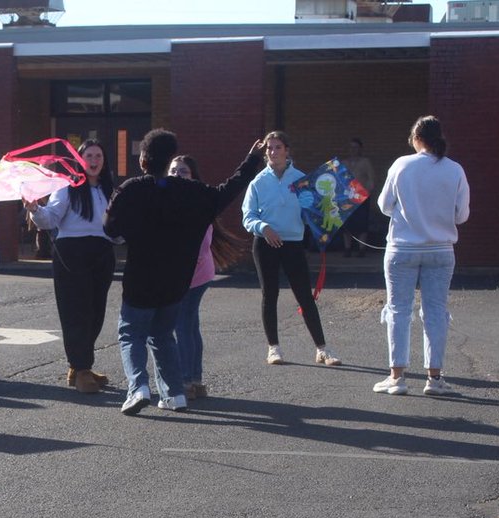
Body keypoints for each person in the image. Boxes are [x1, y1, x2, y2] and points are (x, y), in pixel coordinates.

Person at [104, 128, 265, 415]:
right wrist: (252, 160)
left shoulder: (131, 189)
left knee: (131, 333)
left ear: (143, 159)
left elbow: (110, 228)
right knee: (163, 335)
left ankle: (138, 387)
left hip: (141, 278)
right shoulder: (194, 192)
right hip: (177, 281)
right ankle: (174, 393)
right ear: (169, 160)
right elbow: (228, 190)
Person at [373, 115, 470, 396]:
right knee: (436, 312)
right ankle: (435, 378)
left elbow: (384, 205)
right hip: (441, 249)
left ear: (416, 138)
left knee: (398, 310)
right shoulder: (455, 170)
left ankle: (397, 377)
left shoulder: (401, 165)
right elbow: (462, 215)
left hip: (402, 248)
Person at [242, 130, 341, 368]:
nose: (272, 152)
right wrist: (263, 227)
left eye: (277, 147)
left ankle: (322, 349)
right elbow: (248, 216)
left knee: (305, 296)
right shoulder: (258, 182)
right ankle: (273, 348)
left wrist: (330, 214)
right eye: (269, 148)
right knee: (270, 294)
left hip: (293, 244)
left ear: (287, 150)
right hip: (265, 244)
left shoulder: (302, 180)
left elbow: (316, 214)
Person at [25, 139, 117, 394]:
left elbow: (118, 231)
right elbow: (49, 219)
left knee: (96, 311)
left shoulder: (111, 190)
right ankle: (81, 367)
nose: (94, 160)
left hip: (102, 252)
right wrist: (35, 208)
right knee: (76, 311)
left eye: (99, 155)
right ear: (80, 159)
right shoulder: (67, 188)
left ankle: (80, 367)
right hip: (71, 252)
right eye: (89, 155)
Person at [162, 154, 247, 401]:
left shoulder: (196, 201)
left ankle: (187, 380)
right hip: (193, 272)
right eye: (173, 170)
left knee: (182, 325)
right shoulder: (174, 199)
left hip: (193, 274)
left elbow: (199, 245)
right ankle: (196, 380)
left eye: (183, 171)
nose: (177, 174)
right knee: (190, 325)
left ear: (193, 176)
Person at [341, 137, 376, 257]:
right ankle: (347, 248)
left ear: (360, 149)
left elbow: (371, 179)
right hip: (347, 198)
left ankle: (362, 249)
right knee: (347, 225)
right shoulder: (344, 163)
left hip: (362, 197)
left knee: (362, 224)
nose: (353, 150)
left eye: (355, 147)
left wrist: (367, 192)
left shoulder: (365, 162)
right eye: (351, 147)